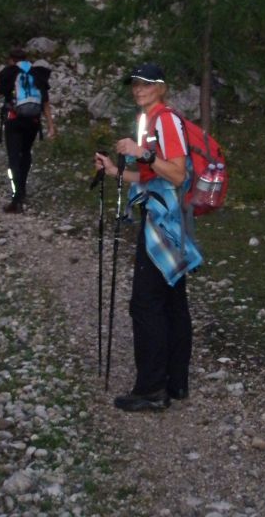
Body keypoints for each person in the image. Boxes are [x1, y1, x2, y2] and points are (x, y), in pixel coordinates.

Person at [95, 62, 203, 412]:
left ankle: (152, 389)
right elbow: (152, 177)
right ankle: (176, 382)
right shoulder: (153, 121)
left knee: (146, 304)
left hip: (164, 223)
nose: (138, 89)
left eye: (146, 84)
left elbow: (175, 173)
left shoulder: (165, 120)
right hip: (167, 219)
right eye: (135, 84)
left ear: (162, 87)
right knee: (172, 300)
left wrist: (142, 152)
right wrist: (116, 172)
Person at [0, 48, 56, 213]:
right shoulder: (37, 73)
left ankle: (16, 198)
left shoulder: (8, 72)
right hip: (33, 121)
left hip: (14, 120)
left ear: (11, 60)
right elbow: (45, 101)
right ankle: (22, 190)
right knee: (26, 153)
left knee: (13, 157)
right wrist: (51, 125)